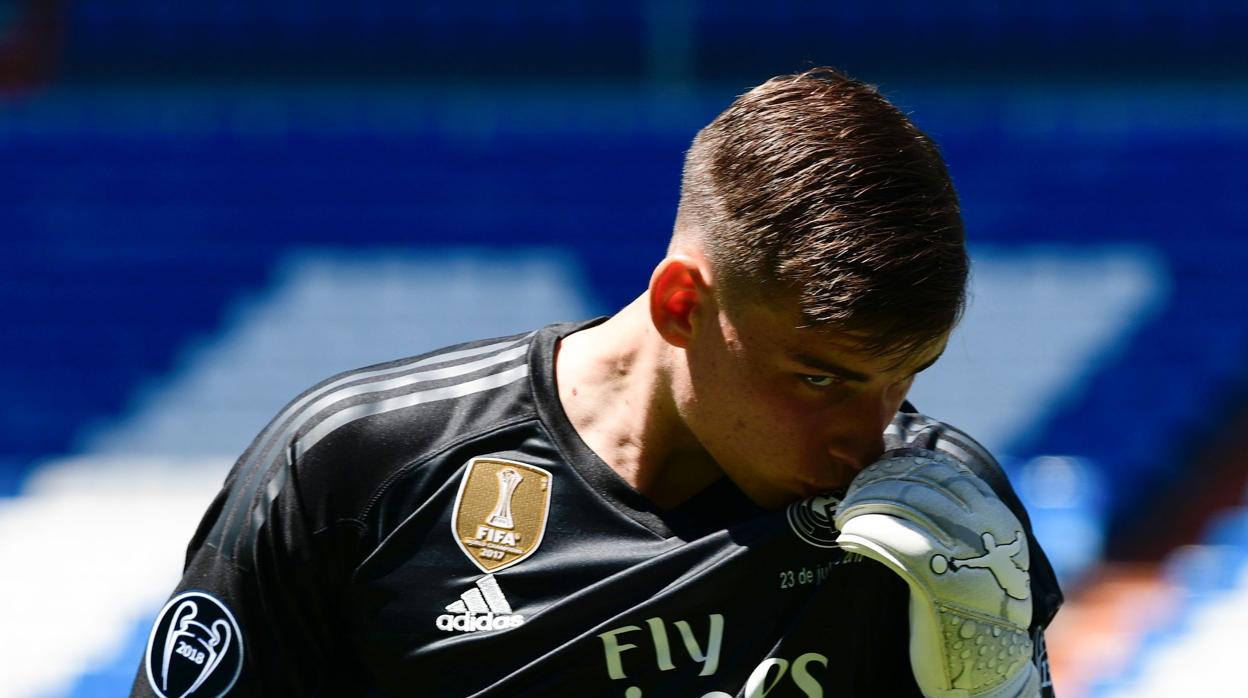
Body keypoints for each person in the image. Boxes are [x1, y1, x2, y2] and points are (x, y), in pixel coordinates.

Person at [132, 68, 1062, 697]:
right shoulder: (357, 469)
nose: (870, 436)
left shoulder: (940, 527)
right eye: (822, 378)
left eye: (907, 378)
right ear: (681, 303)